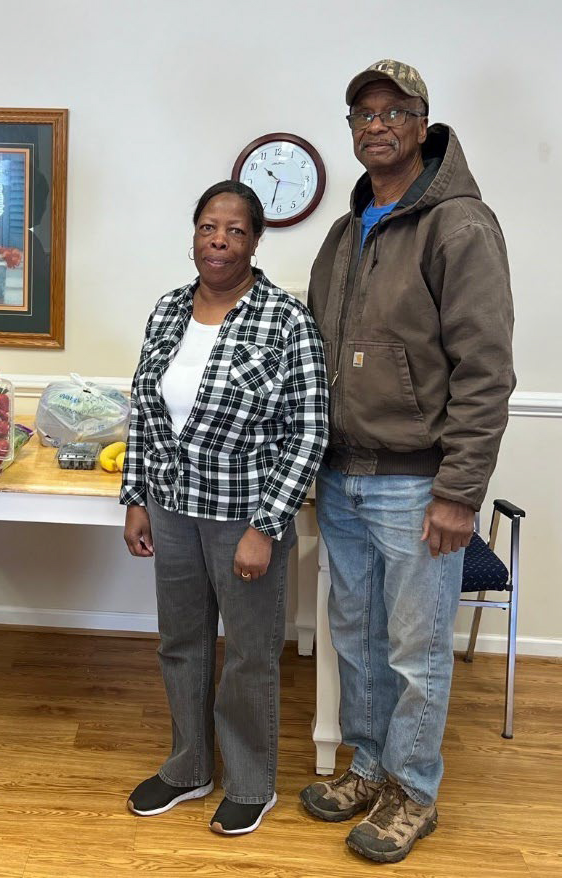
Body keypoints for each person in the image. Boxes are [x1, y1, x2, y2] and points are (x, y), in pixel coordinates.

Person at [299, 60, 515, 864]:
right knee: (353, 638)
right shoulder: (343, 229)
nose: (375, 124)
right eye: (360, 112)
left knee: (414, 650)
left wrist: (459, 492)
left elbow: (486, 371)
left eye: (393, 111)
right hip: (341, 476)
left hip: (417, 482)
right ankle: (367, 765)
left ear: (422, 123)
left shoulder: (458, 225)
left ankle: (413, 793)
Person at [121, 181, 328, 835]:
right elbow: (143, 415)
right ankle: (188, 768)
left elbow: (308, 430)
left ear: (255, 241)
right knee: (180, 644)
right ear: (193, 235)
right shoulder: (165, 311)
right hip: (172, 509)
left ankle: (248, 781)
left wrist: (265, 527)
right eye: (208, 227)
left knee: (247, 653)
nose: (218, 240)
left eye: (235, 230)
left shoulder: (284, 319)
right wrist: (136, 498)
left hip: (243, 517)